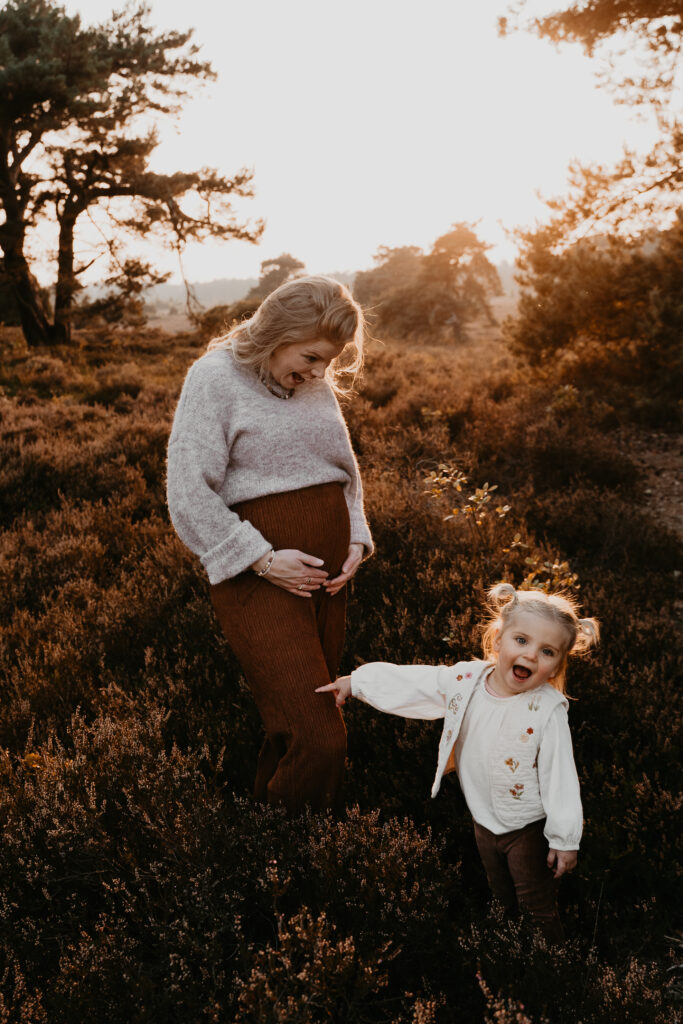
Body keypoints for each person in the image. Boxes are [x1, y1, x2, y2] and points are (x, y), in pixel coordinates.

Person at [167, 275, 373, 814]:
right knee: (321, 738)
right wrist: (260, 559)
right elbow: (188, 491)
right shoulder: (214, 377)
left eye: (329, 362)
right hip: (260, 580)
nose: (319, 372)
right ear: (278, 331)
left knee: (293, 728)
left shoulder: (312, 384)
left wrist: (355, 537)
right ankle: (295, 858)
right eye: (311, 356)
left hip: (327, 581)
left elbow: (343, 473)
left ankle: (264, 855)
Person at [316, 584, 599, 943]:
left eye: (547, 651)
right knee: (500, 892)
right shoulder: (466, 681)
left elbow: (560, 776)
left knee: (535, 904)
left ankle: (550, 967)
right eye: (521, 640)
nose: (530, 656)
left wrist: (563, 838)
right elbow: (416, 683)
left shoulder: (546, 709)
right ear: (498, 639)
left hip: (526, 828)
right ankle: (507, 949)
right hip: (482, 820)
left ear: (558, 663)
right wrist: (357, 683)